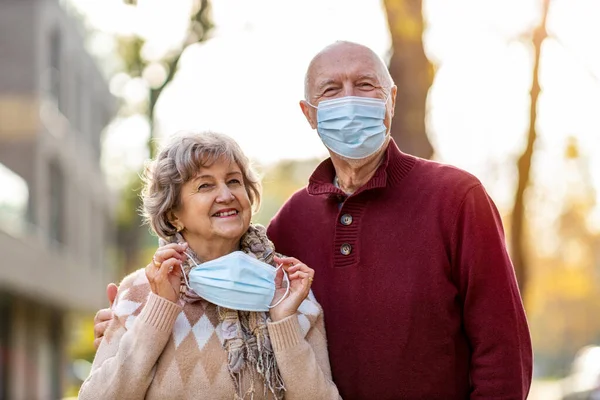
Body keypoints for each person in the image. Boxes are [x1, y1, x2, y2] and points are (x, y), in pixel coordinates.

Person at [94, 41, 533, 399]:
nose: (350, 101)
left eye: (365, 85)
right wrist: (127, 324)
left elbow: (502, 351)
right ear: (309, 114)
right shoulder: (289, 225)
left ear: (391, 100)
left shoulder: (458, 198)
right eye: (331, 90)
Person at [80, 131, 340, 399]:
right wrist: (158, 311)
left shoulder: (290, 292)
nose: (226, 195)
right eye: (205, 185)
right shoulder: (139, 292)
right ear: (173, 214)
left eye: (234, 181)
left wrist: (284, 322)